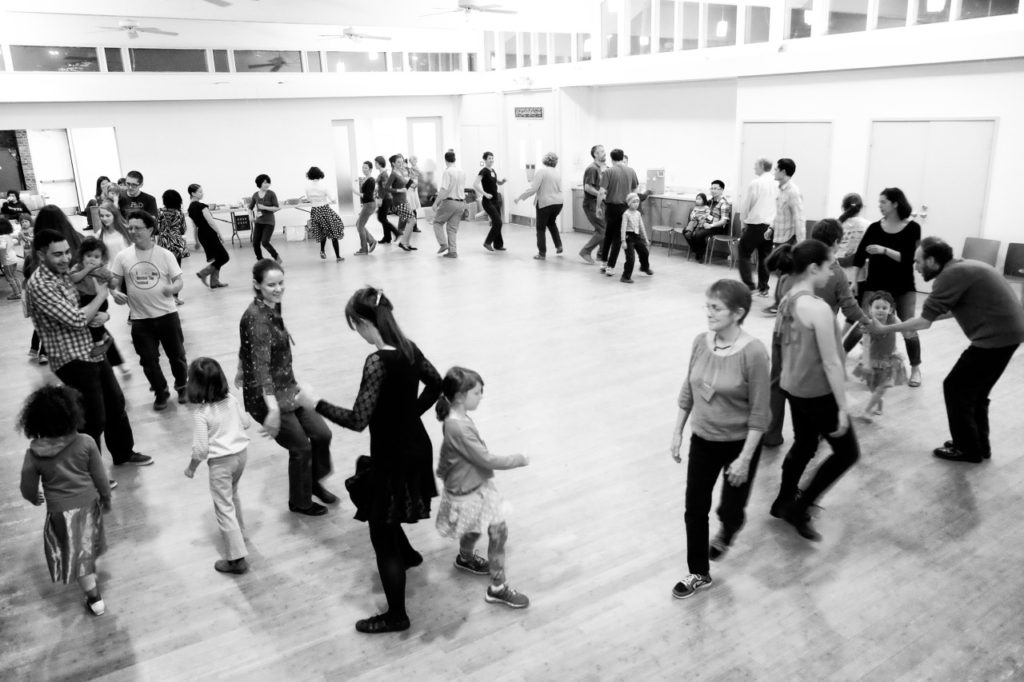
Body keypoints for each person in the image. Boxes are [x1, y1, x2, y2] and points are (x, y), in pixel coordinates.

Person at [300, 286, 442, 634]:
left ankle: (396, 615)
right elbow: (436, 384)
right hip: (416, 448)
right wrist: (410, 415)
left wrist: (314, 402)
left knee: (380, 534)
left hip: (394, 454)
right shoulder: (409, 349)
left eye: (355, 326)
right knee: (380, 500)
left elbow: (357, 419)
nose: (358, 333)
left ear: (364, 322)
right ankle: (409, 555)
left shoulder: (378, 361)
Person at [866, 236, 1024, 463]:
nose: (916, 267)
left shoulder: (949, 276)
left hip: (995, 337)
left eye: (919, 262)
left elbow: (923, 322)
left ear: (931, 261)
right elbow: (945, 311)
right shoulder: (961, 267)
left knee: (956, 388)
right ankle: (978, 445)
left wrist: (887, 327)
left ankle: (967, 449)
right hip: (1009, 333)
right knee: (975, 392)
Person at [670, 279, 770, 599]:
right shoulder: (701, 341)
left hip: (740, 444)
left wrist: (744, 458)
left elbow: (759, 412)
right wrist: (677, 431)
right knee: (694, 507)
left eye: (716, 308)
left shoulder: (754, 353)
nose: (709, 313)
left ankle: (728, 528)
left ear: (738, 313)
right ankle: (699, 571)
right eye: (707, 306)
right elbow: (690, 387)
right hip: (703, 438)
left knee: (731, 507)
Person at [24, 229, 149, 467]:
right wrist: (101, 296)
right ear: (41, 255)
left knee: (115, 403)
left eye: (67, 252)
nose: (64, 258)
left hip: (92, 349)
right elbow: (77, 318)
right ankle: (91, 470)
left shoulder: (65, 275)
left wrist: (102, 313)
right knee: (93, 418)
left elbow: (87, 309)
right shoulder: (40, 284)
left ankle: (124, 452)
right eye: (57, 254)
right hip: (71, 358)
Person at [768, 239, 859, 541]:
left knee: (805, 445)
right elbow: (832, 363)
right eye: (830, 264)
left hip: (792, 386)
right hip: (816, 392)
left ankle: (783, 501)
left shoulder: (786, 297)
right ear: (813, 268)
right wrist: (843, 406)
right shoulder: (817, 308)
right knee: (847, 453)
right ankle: (799, 506)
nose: (833, 270)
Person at [237, 259, 335, 516]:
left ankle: (313, 482)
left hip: (287, 386)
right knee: (301, 447)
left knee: (322, 434)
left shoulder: (272, 305)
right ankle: (299, 501)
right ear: (256, 285)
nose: (278, 289)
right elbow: (260, 369)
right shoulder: (256, 319)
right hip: (265, 395)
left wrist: (239, 366)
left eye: (281, 283)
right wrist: (272, 410)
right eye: (271, 285)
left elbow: (246, 346)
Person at [763, 219, 870, 448]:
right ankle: (816, 432)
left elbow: (781, 293)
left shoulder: (796, 262)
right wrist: (867, 321)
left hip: (782, 333)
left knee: (778, 382)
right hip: (812, 338)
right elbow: (849, 306)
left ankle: (772, 433)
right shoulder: (835, 272)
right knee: (814, 385)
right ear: (835, 242)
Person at [434, 366, 530, 609]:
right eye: (477, 393)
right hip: (471, 489)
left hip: (468, 485)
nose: (481, 396)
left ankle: (465, 558)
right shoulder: (460, 426)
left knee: (476, 525)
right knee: (498, 532)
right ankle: (498, 587)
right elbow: (485, 459)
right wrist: (519, 459)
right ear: (460, 396)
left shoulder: (455, 418)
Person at [18, 385, 112, 617]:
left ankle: (93, 596)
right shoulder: (86, 442)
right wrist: (106, 497)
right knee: (87, 545)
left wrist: (33, 497)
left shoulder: (34, 454)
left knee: (76, 551)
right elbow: (100, 477)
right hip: (89, 503)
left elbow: (27, 486)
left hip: (60, 512)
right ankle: (94, 594)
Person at [109, 210, 188, 411]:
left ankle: (182, 386)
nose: (133, 231)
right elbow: (114, 282)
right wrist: (114, 292)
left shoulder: (165, 255)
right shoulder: (123, 256)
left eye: (138, 228)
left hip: (167, 316)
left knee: (177, 356)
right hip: (140, 319)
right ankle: (160, 391)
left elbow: (179, 280)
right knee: (148, 360)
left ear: (150, 230)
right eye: (130, 227)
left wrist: (173, 288)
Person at [846, 188, 922, 387]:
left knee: (909, 327)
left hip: (903, 285)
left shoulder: (913, 228)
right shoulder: (873, 228)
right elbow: (859, 256)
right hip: (875, 285)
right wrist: (854, 280)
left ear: (895, 203)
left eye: (883, 202)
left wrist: (883, 250)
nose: (879, 205)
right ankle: (838, 358)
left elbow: (909, 259)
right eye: (879, 202)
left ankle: (915, 369)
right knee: (863, 323)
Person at [184, 357, 252, 575]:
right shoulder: (231, 399)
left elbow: (201, 449)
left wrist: (192, 468)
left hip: (221, 462)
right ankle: (240, 533)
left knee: (223, 506)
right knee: (233, 495)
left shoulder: (202, 414)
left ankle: (236, 558)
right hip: (241, 455)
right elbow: (246, 422)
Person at [68, 237, 129, 376]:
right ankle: (106, 344)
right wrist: (87, 269)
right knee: (96, 326)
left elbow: (111, 282)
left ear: (102, 258)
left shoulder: (102, 270)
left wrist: (114, 283)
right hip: (84, 300)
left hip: (98, 301)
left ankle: (100, 344)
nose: (92, 259)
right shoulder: (78, 268)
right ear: (81, 256)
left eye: (96, 257)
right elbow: (74, 278)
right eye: (88, 256)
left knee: (94, 324)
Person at [852, 290, 908, 419]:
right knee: (873, 388)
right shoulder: (868, 323)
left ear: (890, 309)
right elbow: (865, 344)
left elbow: (903, 327)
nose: (881, 310)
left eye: (884, 307)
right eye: (877, 307)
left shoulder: (892, 319)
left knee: (882, 387)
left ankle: (867, 411)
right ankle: (879, 401)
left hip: (890, 361)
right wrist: (865, 363)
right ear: (870, 309)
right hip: (872, 360)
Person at [763, 159, 804, 314]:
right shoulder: (781, 189)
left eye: (776, 169)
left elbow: (799, 218)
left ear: (784, 172)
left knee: (784, 273)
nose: (774, 172)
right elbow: (780, 213)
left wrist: (800, 243)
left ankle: (780, 304)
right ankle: (782, 303)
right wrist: (771, 228)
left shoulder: (793, 191)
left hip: (789, 238)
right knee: (782, 273)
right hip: (779, 236)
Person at [736, 159, 777, 295]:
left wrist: (743, 221)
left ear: (761, 166)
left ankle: (749, 285)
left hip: (756, 224)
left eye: (755, 165)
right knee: (765, 256)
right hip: (771, 226)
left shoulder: (756, 183)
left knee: (743, 253)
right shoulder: (777, 183)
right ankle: (763, 288)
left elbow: (747, 204)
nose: (754, 168)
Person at [516, 152, 564, 260]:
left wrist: (521, 197)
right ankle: (559, 245)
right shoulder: (557, 173)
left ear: (544, 160)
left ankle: (542, 253)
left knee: (540, 228)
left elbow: (533, 189)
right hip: (558, 203)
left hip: (545, 203)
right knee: (551, 223)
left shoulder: (542, 171)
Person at [599, 149, 639, 275]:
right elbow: (635, 189)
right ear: (623, 157)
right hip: (624, 208)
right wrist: (633, 204)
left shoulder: (608, 171)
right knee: (618, 237)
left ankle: (604, 263)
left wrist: (598, 207)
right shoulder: (631, 171)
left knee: (608, 235)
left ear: (611, 159)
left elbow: (601, 192)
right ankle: (610, 267)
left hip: (611, 207)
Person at [187, 184, 230, 289]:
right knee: (224, 257)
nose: (202, 193)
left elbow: (194, 227)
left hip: (202, 235)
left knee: (218, 258)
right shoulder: (202, 206)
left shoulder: (190, 208)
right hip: (209, 234)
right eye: (200, 192)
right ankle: (203, 273)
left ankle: (214, 282)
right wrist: (220, 234)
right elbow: (211, 223)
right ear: (193, 193)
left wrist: (196, 241)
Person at [304, 166, 345, 262]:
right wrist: (334, 198)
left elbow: (309, 200)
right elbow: (333, 200)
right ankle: (338, 257)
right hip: (325, 210)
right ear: (319, 175)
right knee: (334, 231)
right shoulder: (323, 187)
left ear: (309, 175)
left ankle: (322, 250)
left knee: (322, 232)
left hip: (314, 211)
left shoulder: (307, 188)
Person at [685, 180, 732, 263]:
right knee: (686, 230)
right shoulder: (710, 201)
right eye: (712, 188)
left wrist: (711, 225)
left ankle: (700, 253)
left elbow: (724, 221)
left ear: (721, 190)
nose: (713, 190)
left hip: (717, 227)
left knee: (699, 234)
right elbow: (701, 210)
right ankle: (698, 251)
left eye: (715, 188)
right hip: (705, 223)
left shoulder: (724, 203)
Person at [158, 189, 190, 306]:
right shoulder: (179, 213)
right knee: (176, 271)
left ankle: (165, 296)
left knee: (163, 271)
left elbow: (156, 228)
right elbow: (183, 229)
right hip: (176, 243)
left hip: (164, 243)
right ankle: (175, 297)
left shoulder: (159, 212)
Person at [431, 151, 466, 258]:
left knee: (437, 222)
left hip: (450, 202)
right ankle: (453, 251)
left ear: (445, 160)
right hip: (461, 203)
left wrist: (436, 202)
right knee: (452, 229)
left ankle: (443, 244)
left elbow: (443, 189)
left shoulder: (447, 172)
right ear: (455, 159)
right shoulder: (462, 171)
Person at [578, 144, 607, 264]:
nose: (605, 153)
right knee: (602, 230)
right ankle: (585, 251)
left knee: (603, 229)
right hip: (591, 204)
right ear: (595, 154)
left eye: (604, 151)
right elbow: (588, 187)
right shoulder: (592, 168)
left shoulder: (602, 168)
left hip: (599, 203)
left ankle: (601, 254)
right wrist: (601, 194)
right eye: (601, 151)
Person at [617, 192, 654, 284]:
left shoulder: (638, 213)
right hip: (628, 237)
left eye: (637, 201)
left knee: (644, 252)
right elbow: (623, 228)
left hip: (637, 236)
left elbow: (641, 227)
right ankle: (625, 277)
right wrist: (623, 241)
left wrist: (645, 239)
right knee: (631, 258)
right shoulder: (626, 214)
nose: (636, 204)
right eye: (633, 202)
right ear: (629, 203)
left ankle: (644, 267)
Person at [476, 151, 508, 252]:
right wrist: (485, 194)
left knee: (498, 222)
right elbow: (475, 184)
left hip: (495, 201)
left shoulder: (493, 171)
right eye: (489, 158)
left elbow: (496, 181)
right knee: (497, 222)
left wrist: (502, 182)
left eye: (492, 158)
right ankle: (487, 242)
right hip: (487, 202)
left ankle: (498, 245)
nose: (491, 160)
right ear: (485, 160)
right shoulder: (483, 171)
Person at [248, 174, 281, 263]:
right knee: (255, 243)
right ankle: (260, 260)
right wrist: (251, 216)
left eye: (268, 182)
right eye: (265, 182)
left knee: (265, 242)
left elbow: (277, 207)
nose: (267, 184)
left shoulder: (271, 193)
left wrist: (264, 207)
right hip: (258, 222)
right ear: (259, 183)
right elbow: (250, 208)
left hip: (269, 222)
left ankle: (277, 257)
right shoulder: (255, 195)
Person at [390, 155, 419, 252]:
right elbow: (386, 188)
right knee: (412, 220)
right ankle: (403, 243)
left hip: (404, 200)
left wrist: (411, 180)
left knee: (411, 221)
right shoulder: (393, 174)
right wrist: (398, 190)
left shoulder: (400, 173)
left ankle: (406, 243)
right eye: (398, 162)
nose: (401, 164)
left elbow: (405, 189)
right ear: (393, 163)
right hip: (398, 202)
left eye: (402, 162)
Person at [837, 193, 869, 269]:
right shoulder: (869, 225)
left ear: (843, 207)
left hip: (838, 273)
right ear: (861, 207)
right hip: (859, 274)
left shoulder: (836, 225)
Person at [353, 161, 379, 255]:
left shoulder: (371, 180)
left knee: (360, 226)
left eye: (366, 168)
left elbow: (367, 195)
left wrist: (355, 192)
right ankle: (372, 241)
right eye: (363, 167)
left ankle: (364, 249)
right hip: (367, 205)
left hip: (369, 204)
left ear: (371, 169)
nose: (363, 169)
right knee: (358, 224)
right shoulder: (365, 179)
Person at [374, 155, 399, 244]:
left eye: (376, 163)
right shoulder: (382, 173)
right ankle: (387, 237)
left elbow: (385, 188)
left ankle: (396, 232)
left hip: (386, 198)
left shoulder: (384, 174)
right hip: (384, 198)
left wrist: (380, 199)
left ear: (379, 163)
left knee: (381, 218)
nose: (375, 165)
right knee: (383, 218)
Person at [0, 217, 22, 300]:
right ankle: (19, 291)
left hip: (7, 261)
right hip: (13, 259)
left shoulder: (1, 237)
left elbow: (2, 247)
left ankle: (16, 294)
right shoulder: (8, 236)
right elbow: (14, 241)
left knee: (9, 278)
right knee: (14, 276)